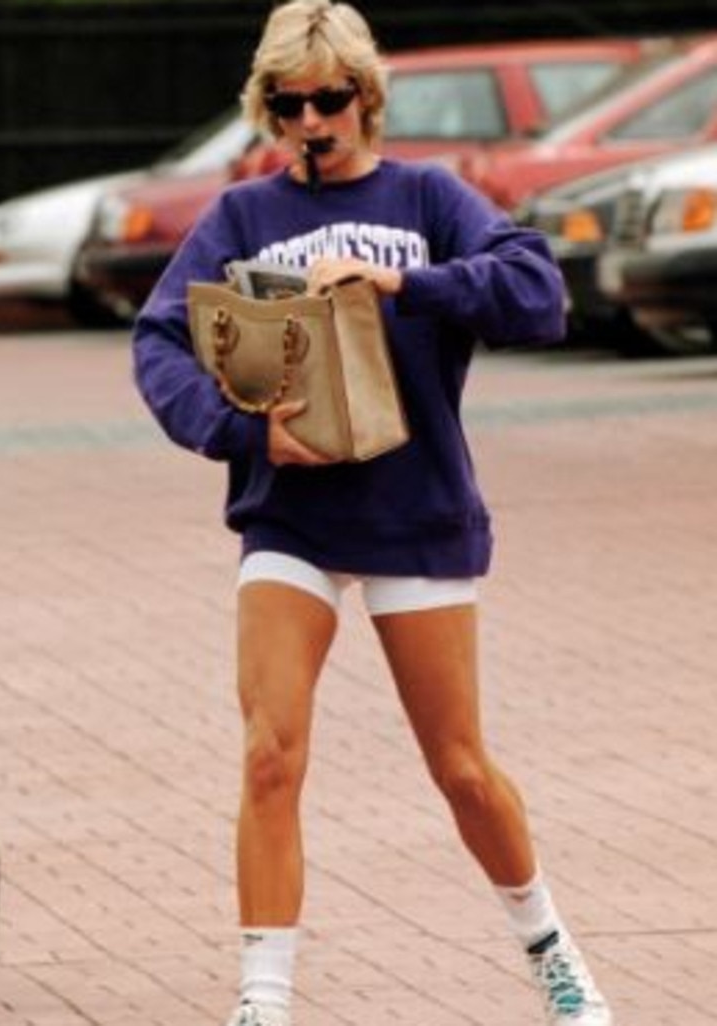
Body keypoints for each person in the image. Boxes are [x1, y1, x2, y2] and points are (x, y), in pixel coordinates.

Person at [132, 2, 613, 1024]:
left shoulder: (429, 197)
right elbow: (158, 343)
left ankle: (552, 951)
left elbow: (539, 295)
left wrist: (403, 278)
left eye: (330, 98)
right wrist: (248, 434)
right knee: (270, 749)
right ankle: (263, 999)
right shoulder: (240, 219)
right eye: (289, 102)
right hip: (291, 516)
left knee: (461, 768)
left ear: (366, 96)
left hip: (417, 513)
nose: (312, 119)